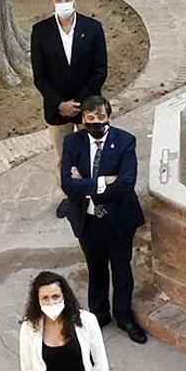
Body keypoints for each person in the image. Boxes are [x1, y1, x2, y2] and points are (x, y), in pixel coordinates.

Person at [58, 95, 148, 343]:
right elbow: (67, 184)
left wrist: (84, 184)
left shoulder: (125, 142)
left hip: (118, 218)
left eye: (100, 117)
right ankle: (98, 315)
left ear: (109, 117)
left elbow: (126, 184)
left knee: (121, 269)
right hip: (87, 220)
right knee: (95, 268)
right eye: (90, 118)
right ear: (83, 119)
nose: (96, 122)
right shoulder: (72, 143)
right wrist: (103, 181)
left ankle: (124, 315)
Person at [31, 0, 108, 168]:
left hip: (88, 108)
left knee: (93, 157)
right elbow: (40, 76)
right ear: (52, 1)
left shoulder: (93, 29)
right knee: (64, 160)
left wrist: (79, 103)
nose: (63, 3)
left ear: (75, 1)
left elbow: (100, 71)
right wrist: (60, 103)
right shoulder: (41, 32)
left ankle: (94, 193)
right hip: (57, 110)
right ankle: (70, 196)